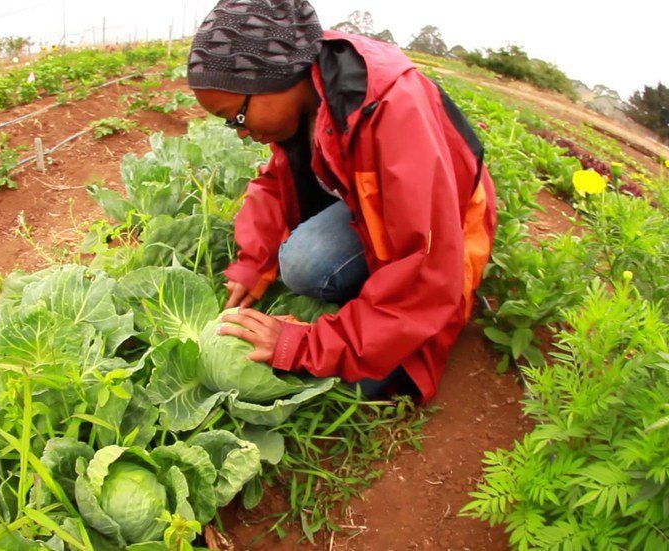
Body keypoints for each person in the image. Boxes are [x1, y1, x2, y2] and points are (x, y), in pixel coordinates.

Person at [187, 0, 497, 401]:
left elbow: (427, 269)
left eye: (237, 118)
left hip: (446, 227)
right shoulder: (308, 89)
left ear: (274, 78)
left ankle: (368, 309)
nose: (240, 134)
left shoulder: (390, 110)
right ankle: (367, 303)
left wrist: (304, 345)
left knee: (367, 382)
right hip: (381, 209)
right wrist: (253, 263)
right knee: (303, 265)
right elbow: (277, 179)